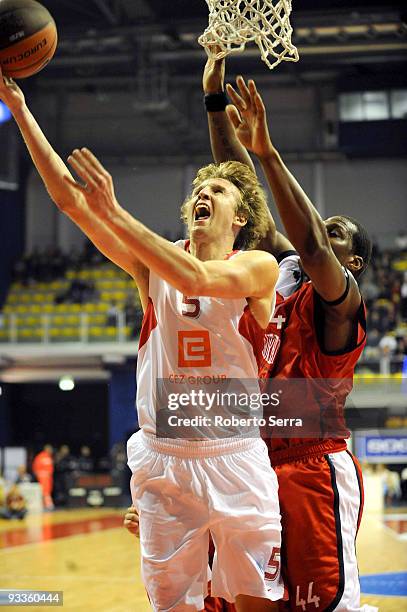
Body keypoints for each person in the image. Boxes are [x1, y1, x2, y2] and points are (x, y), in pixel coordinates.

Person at [0, 66, 283, 612]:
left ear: (239, 214)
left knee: (256, 604)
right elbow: (70, 202)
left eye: (217, 190)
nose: (204, 194)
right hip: (165, 461)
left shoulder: (256, 266)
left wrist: (116, 213)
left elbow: (197, 279)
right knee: (172, 606)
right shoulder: (151, 269)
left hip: (236, 457)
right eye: (198, 189)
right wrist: (21, 109)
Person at [32, 444, 54, 510]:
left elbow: (51, 468)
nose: (51, 451)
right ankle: (47, 504)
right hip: (42, 477)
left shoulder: (49, 457)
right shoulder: (40, 456)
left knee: (48, 490)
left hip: (48, 477)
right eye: (49, 449)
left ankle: (46, 504)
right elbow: (35, 467)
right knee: (44, 491)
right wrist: (40, 475)